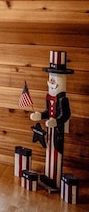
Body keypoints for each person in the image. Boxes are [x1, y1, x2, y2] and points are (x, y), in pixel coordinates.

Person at [30, 51, 73, 191]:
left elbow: (65, 115)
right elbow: (48, 111)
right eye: (51, 77)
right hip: (49, 129)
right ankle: (48, 176)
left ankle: (55, 180)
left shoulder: (62, 99)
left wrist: (56, 122)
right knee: (48, 150)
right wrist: (40, 116)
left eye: (56, 77)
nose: (52, 81)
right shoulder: (49, 97)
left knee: (57, 151)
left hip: (57, 131)